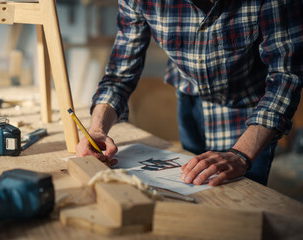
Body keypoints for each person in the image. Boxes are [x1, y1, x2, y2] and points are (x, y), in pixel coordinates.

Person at [75, 0, 302, 186]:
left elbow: (286, 75)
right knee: (190, 191)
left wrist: (241, 154)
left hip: (250, 111)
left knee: (243, 209)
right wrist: (97, 129)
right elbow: (119, 75)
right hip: (191, 102)